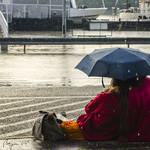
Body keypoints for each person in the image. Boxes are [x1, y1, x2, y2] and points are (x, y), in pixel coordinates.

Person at [77, 76, 150, 142]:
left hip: (97, 129)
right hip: (113, 130)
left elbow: (88, 109)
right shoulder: (128, 97)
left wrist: (102, 94)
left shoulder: (104, 96)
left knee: (81, 119)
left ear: (112, 84)